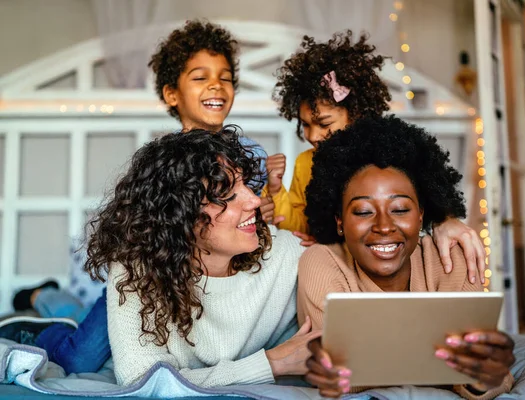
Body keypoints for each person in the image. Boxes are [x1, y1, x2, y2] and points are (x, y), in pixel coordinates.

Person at [1, 20, 274, 375]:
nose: (215, 85)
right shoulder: (161, 162)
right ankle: (42, 305)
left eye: (224, 77)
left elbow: (252, 223)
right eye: (199, 76)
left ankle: (60, 303)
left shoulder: (249, 154)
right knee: (78, 357)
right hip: (150, 276)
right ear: (172, 94)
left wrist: (269, 207)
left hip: (210, 283)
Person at [297, 116, 514, 399]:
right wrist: (444, 365)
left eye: (400, 209)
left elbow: (485, 374)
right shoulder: (320, 262)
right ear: (339, 221)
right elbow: (340, 373)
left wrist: (480, 378)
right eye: (363, 211)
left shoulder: (451, 259)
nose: (384, 226)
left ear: (422, 214)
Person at [90, 127, 316, 386]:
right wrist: (273, 363)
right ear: (180, 215)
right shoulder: (137, 268)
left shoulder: (286, 252)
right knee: (77, 356)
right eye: (228, 195)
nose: (254, 201)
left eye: (246, 185)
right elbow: (141, 379)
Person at [266, 31, 486, 283]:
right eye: (305, 125)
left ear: (357, 113)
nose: (313, 135)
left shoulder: (386, 157)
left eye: (324, 123)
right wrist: (276, 191)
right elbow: (299, 223)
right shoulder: (305, 162)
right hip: (335, 267)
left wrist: (445, 219)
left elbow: (424, 197)